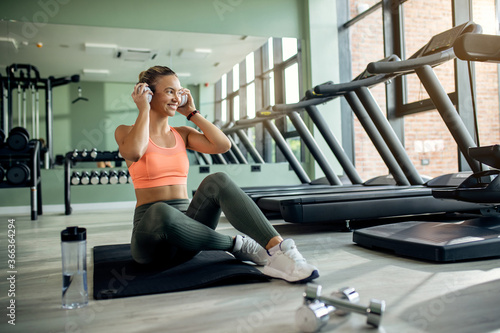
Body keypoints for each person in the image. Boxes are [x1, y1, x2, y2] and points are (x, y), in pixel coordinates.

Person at [115, 66, 319, 283]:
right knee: (160, 211)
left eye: (179, 91)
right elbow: (135, 152)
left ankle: (278, 250)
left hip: (189, 237)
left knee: (218, 180)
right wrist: (143, 109)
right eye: (169, 91)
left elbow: (222, 145)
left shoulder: (182, 134)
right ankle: (235, 245)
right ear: (148, 93)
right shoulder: (125, 131)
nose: (176, 98)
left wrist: (192, 114)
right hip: (151, 242)